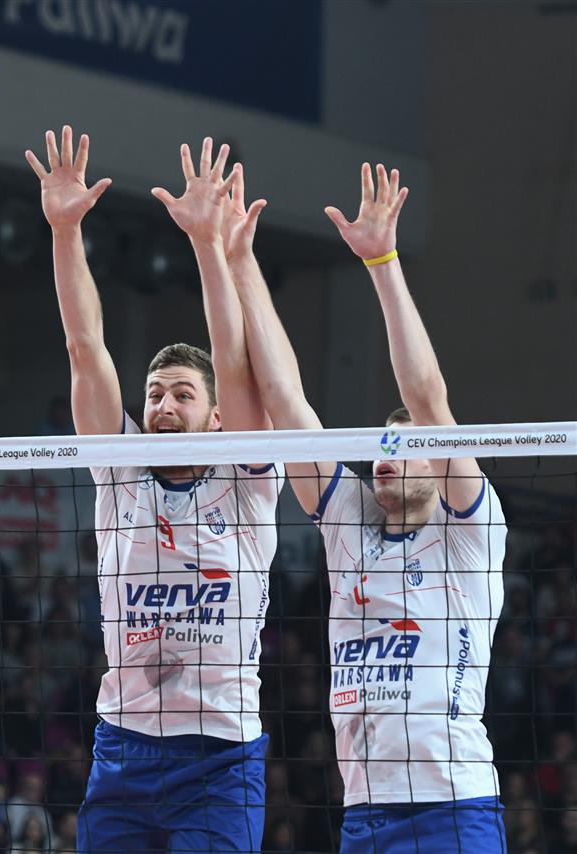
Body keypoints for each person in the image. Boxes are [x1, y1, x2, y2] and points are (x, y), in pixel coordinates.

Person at [228, 161, 507, 850]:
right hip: (364, 811)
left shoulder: (469, 529)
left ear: (438, 465)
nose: (387, 454)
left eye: (406, 447)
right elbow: (283, 399)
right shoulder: (349, 519)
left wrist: (382, 263)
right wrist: (237, 259)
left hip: (453, 806)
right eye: (382, 445)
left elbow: (426, 398)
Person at [25, 126, 281, 851]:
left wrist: (207, 244)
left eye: (182, 396)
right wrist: (65, 231)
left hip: (221, 755)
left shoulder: (247, 479)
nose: (165, 407)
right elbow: (85, 348)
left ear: (216, 417)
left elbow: (234, 361)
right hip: (123, 747)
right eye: (155, 395)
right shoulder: (121, 469)